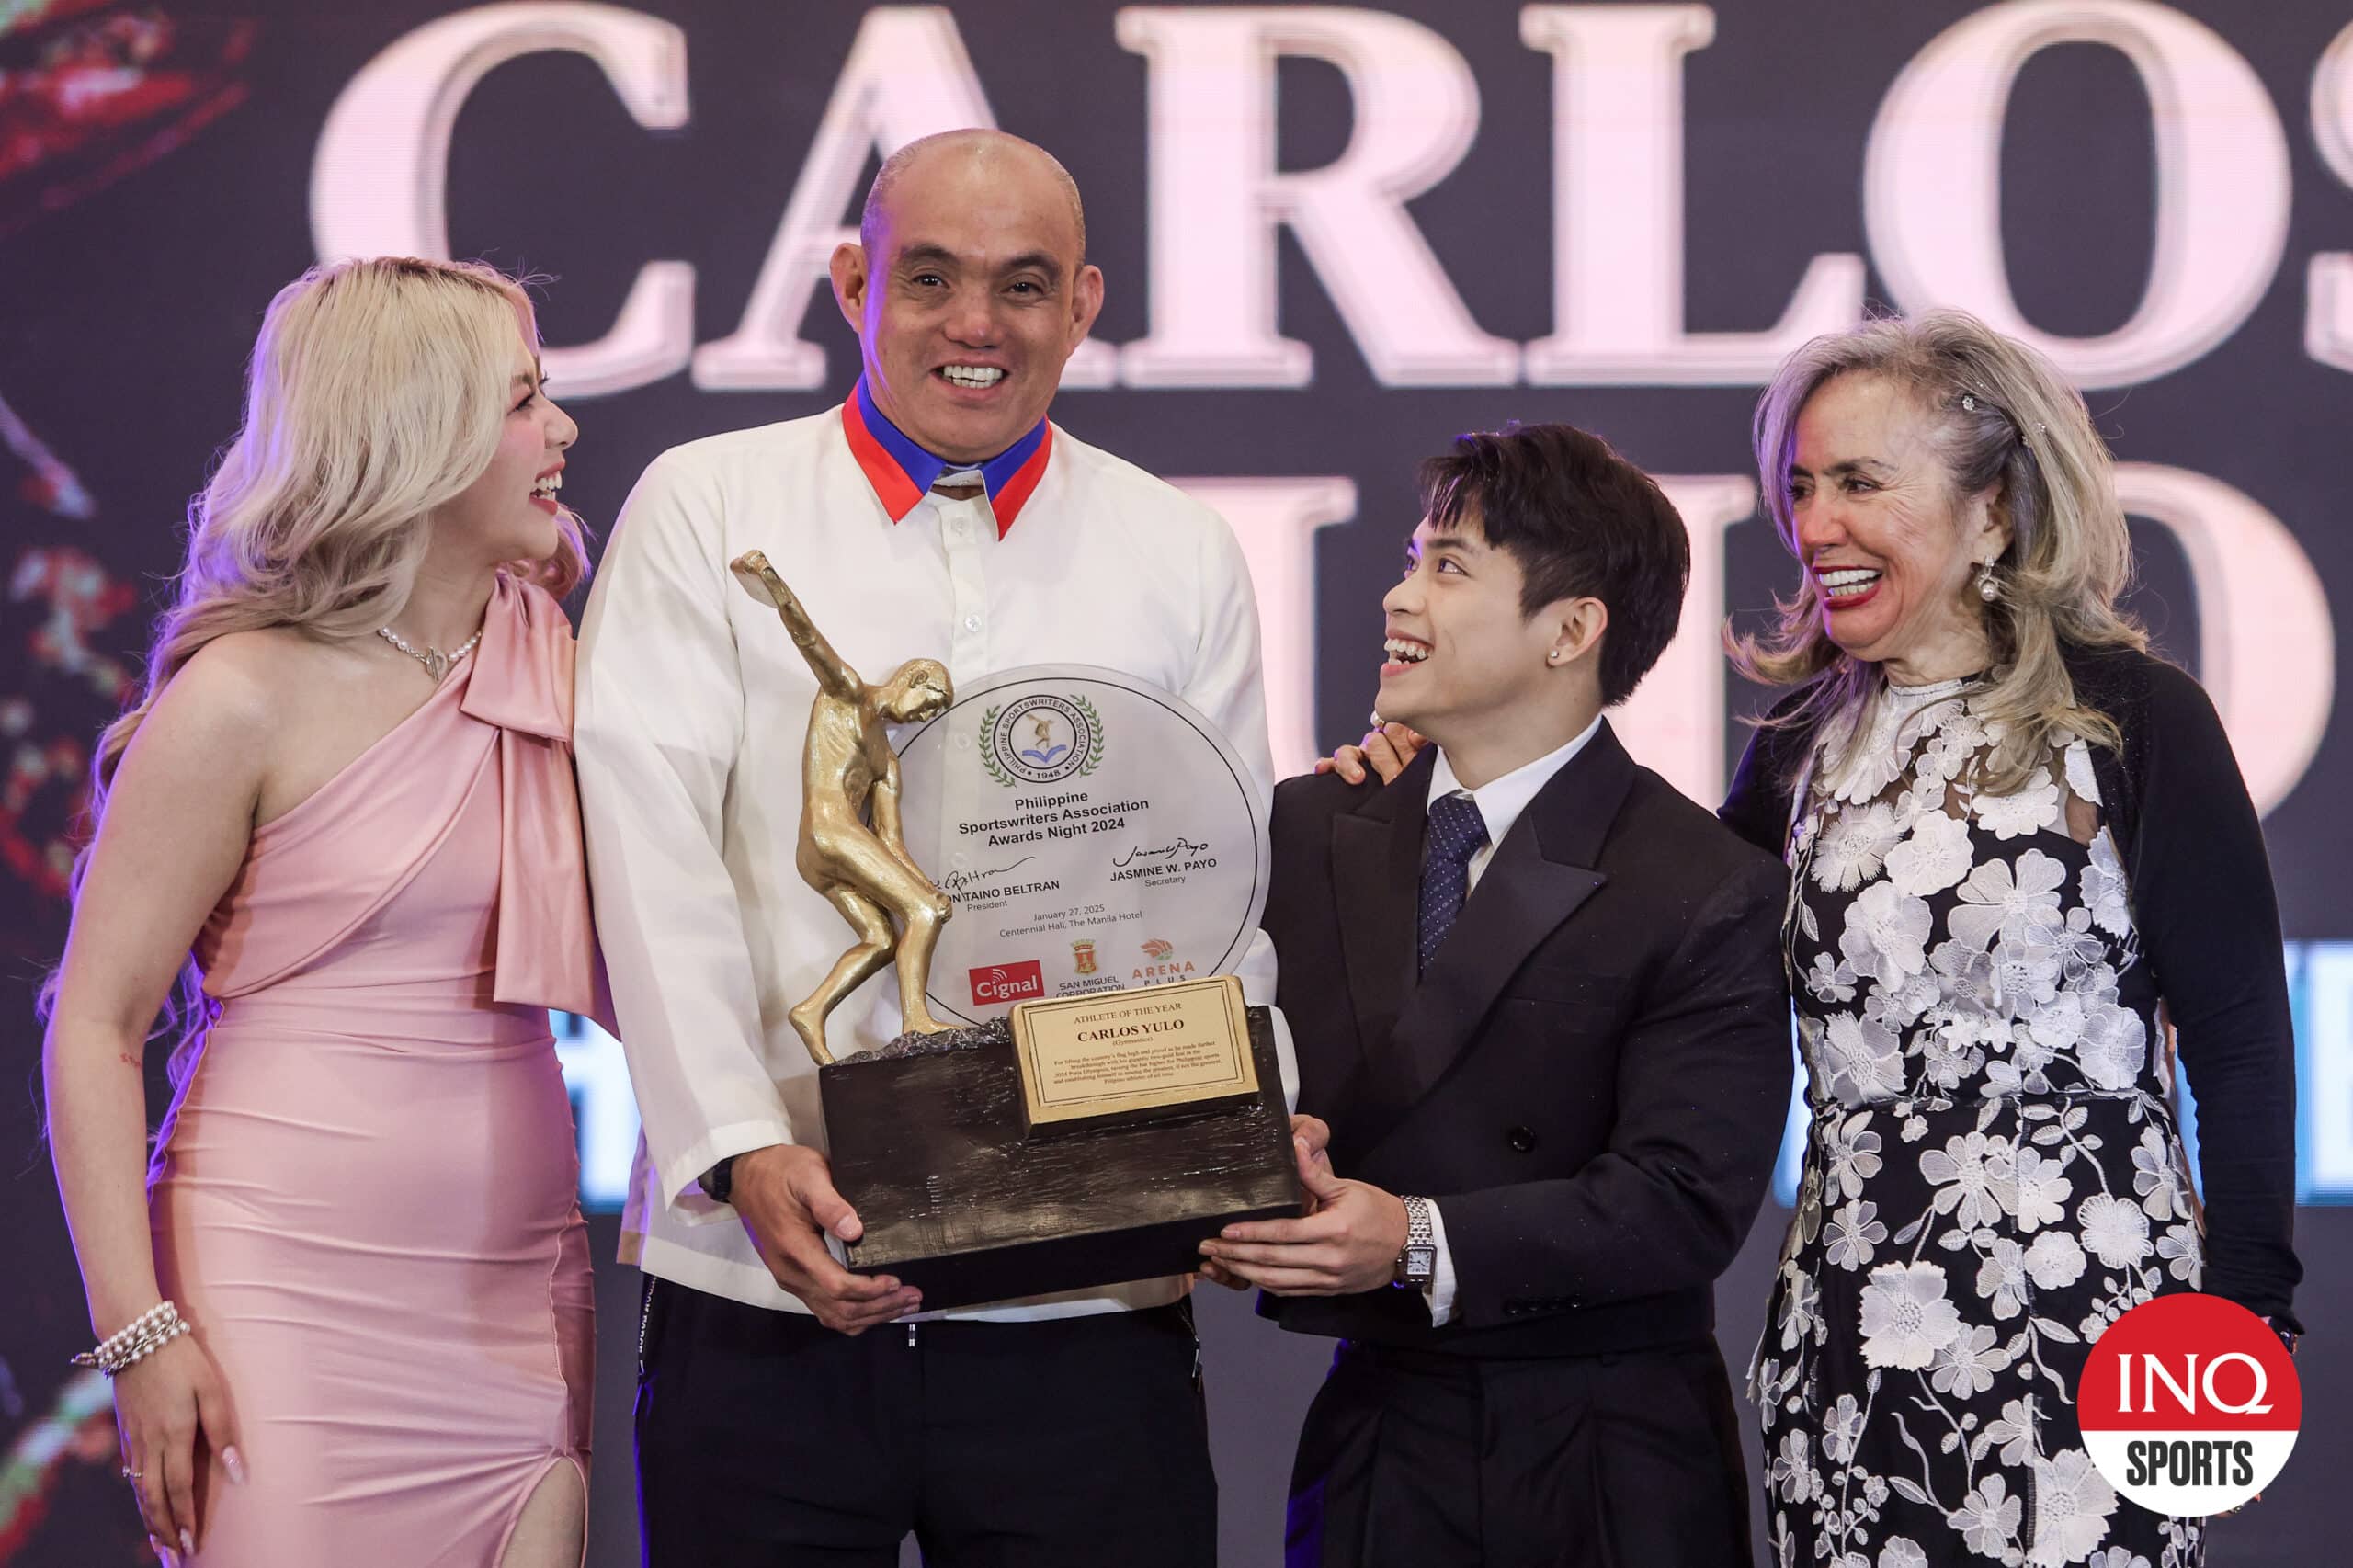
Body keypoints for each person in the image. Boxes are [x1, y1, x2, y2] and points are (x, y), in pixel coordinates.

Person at [575, 128, 1285, 1567]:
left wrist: (1242, 1124)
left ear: (1085, 304)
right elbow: (649, 846)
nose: (977, 325)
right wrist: (735, 1142)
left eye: (1023, 286)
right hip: (771, 1275)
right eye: (932, 279)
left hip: (1087, 1301)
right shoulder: (710, 507)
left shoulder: (1177, 546)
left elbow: (1215, 889)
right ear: (852, 283)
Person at [40, 256, 599, 1567]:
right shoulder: (239, 697)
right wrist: (139, 1330)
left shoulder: (558, 656)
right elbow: (96, 1027)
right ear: (420, 431)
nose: (562, 430)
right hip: (278, 1290)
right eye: (524, 402)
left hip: (516, 1292)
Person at [1720, 310, 2303, 1567]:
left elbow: (2242, 1034)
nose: (1817, 524)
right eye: (1803, 486)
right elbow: (1657, 961)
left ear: (1995, 510)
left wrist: (2246, 1313)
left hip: (2109, 1321)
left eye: (1862, 483)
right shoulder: (1793, 751)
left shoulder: (2135, 716)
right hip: (1856, 1328)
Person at [1202, 423, 1792, 1567]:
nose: (1397, 595)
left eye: (1447, 566)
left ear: (1572, 629)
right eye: (1412, 557)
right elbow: (1230, 1065)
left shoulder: (1703, 881)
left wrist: (1415, 1236)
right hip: (1380, 1427)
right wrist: (1240, 1183)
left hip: (1615, 1451)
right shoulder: (1310, 823)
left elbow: (1682, 1201)